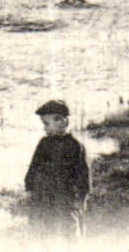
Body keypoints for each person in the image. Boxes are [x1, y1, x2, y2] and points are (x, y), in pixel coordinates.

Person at [23, 99, 91, 233]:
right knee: (41, 232)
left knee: (70, 232)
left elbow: (83, 176)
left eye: (47, 124)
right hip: (43, 197)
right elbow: (33, 167)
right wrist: (29, 187)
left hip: (65, 199)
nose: (45, 128)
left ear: (63, 122)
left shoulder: (75, 146)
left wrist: (81, 199)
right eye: (44, 124)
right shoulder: (43, 144)